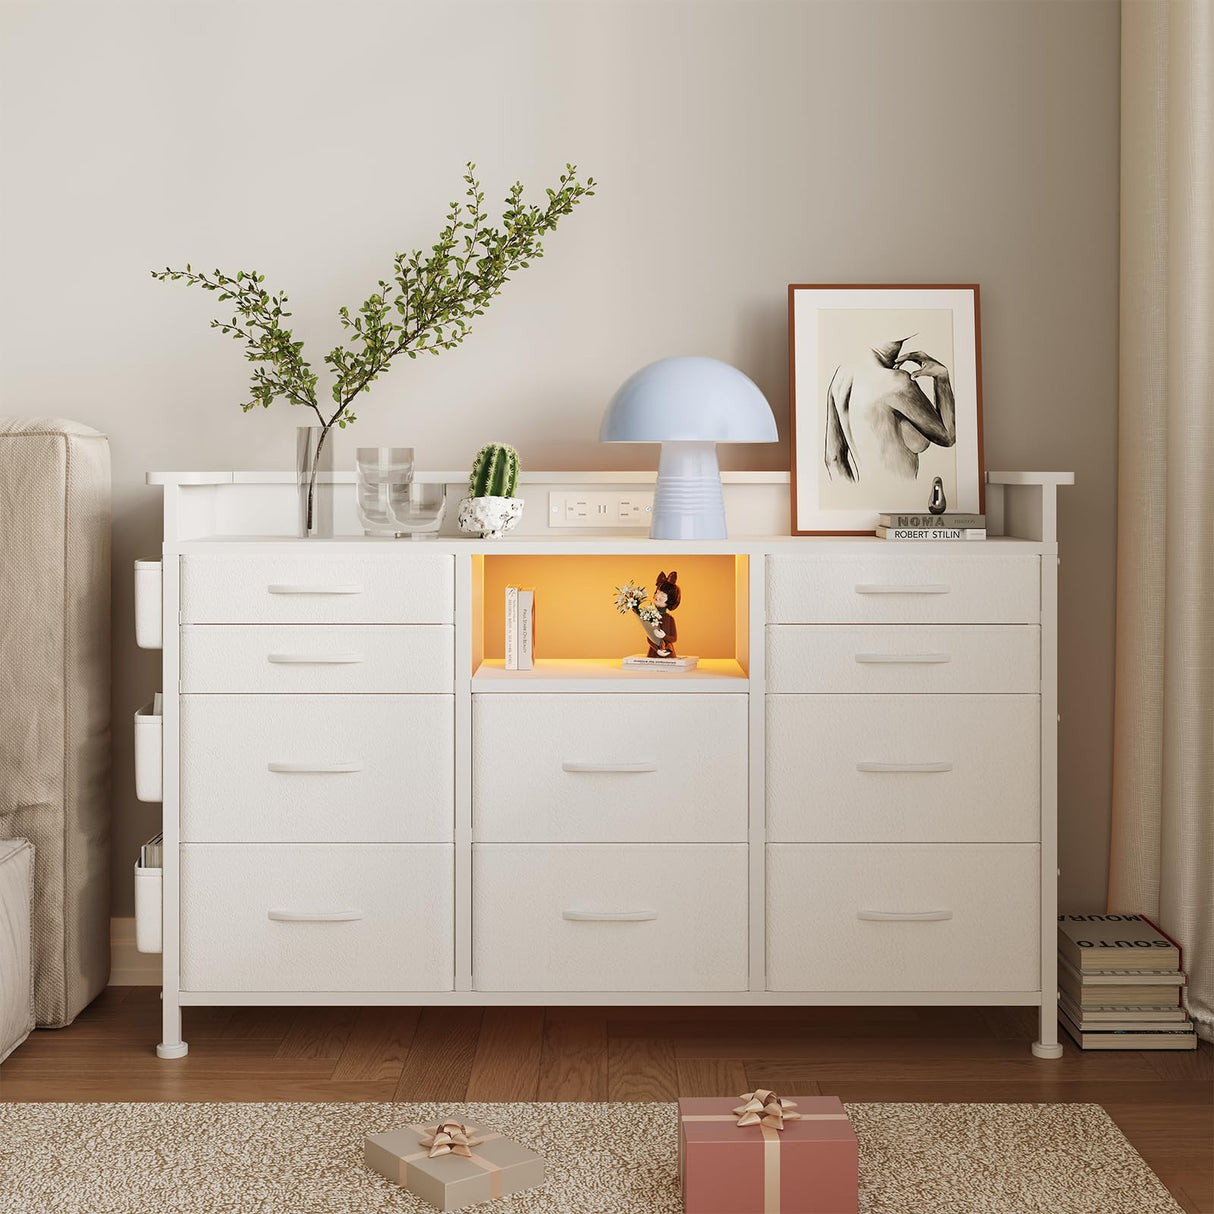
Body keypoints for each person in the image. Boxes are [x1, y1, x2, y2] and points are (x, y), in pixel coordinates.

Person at [824, 337, 956, 482]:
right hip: (903, 498)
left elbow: (834, 460)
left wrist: (855, 496)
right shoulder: (897, 382)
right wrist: (942, 377)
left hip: (867, 498)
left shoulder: (842, 375)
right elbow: (948, 436)